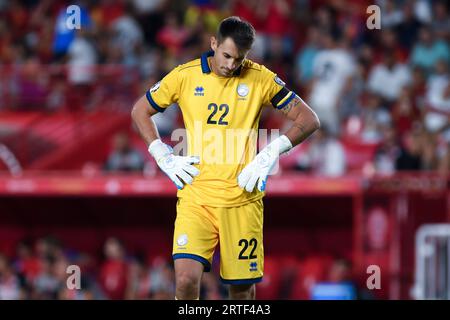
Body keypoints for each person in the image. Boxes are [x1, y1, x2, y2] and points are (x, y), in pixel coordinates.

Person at [131, 16, 320, 300]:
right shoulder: (185, 75)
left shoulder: (261, 78)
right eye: (227, 55)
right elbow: (139, 111)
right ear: (214, 44)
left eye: (239, 59)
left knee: (241, 292)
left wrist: (270, 152)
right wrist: (161, 153)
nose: (231, 65)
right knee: (184, 280)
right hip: (197, 198)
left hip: (242, 201)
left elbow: (309, 118)